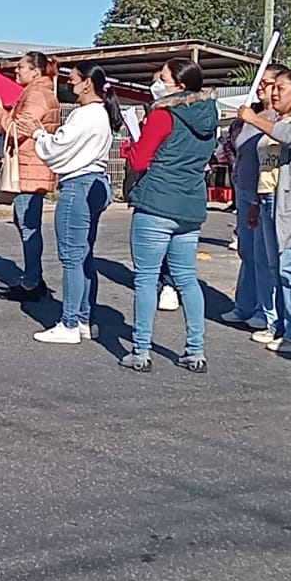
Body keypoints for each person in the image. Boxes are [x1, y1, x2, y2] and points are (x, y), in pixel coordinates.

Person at [121, 60, 217, 373]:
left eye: (161, 77)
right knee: (187, 279)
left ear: (177, 84)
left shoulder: (163, 115)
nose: (156, 82)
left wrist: (129, 147)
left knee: (146, 278)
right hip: (190, 205)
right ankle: (195, 349)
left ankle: (141, 349)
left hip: (157, 202)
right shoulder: (209, 117)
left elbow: (140, 159)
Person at [17, 63, 120, 345]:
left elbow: (58, 148)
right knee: (85, 255)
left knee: (72, 257)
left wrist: (38, 133)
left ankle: (70, 322)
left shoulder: (85, 114)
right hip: (96, 181)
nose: (69, 85)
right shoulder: (101, 114)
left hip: (78, 184)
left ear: (87, 83)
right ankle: (85, 318)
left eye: (73, 80)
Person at [237, 70, 291, 353]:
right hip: (269, 200)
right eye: (273, 88)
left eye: (281, 89)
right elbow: (267, 169)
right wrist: (256, 204)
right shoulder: (276, 120)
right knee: (274, 267)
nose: (275, 93)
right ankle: (281, 326)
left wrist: (254, 119)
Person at [0, 52, 62, 301]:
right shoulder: (40, 92)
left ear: (35, 71)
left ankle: (32, 282)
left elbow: (17, 129)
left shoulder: (36, 95)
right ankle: (33, 279)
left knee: (28, 226)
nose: (16, 71)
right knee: (25, 223)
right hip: (31, 166)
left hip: (30, 168)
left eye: (21, 67)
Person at [220, 66, 284, 332]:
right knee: (247, 251)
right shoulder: (250, 115)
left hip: (265, 193)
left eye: (267, 82)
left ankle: (264, 309)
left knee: (263, 254)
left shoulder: (279, 119)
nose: (261, 86)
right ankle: (244, 304)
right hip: (244, 189)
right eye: (260, 81)